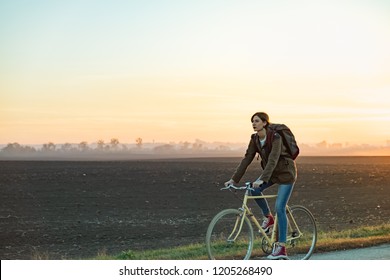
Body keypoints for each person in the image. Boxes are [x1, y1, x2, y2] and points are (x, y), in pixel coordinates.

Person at [224, 112, 297, 260]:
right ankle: (268, 218)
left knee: (280, 208)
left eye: (256, 121)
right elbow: (247, 159)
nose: (253, 124)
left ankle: (281, 248)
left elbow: (273, 159)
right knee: (254, 190)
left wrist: (262, 179)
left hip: (285, 173)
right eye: (252, 121)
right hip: (271, 174)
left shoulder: (275, 137)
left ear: (264, 123)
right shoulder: (255, 139)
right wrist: (233, 180)